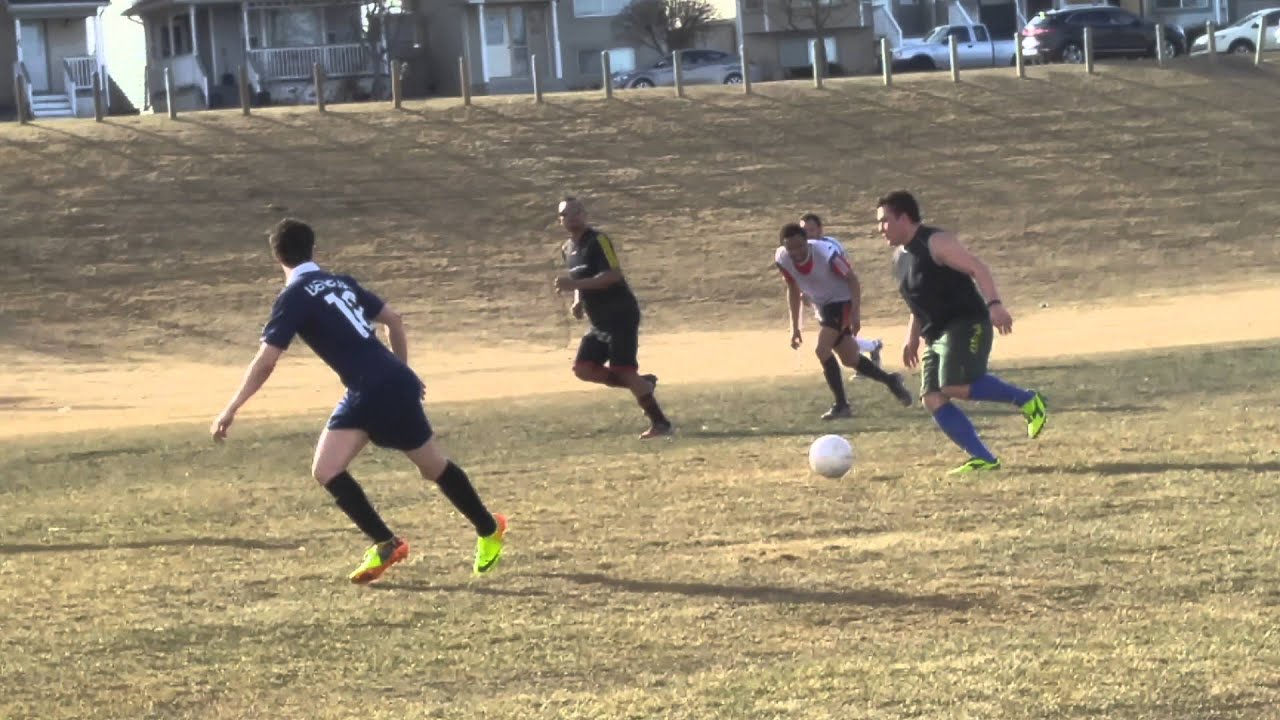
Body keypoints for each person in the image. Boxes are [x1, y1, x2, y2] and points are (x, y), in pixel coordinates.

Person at [210, 218, 508, 583]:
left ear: (277, 258)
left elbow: (266, 361)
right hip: (382, 384)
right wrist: (403, 372)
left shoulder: (294, 296)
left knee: (331, 470)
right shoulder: (340, 281)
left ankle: (397, 541)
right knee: (426, 468)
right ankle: (482, 527)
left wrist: (231, 407)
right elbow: (394, 320)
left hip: (372, 388)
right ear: (312, 249)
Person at [875, 190, 1048, 474]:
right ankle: (984, 459)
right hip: (935, 334)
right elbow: (918, 301)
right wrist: (911, 338)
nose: (880, 229)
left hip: (966, 323)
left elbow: (978, 268)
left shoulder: (935, 241)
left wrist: (994, 304)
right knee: (933, 398)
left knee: (953, 385)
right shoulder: (899, 258)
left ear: (904, 218)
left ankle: (1028, 401)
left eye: (884, 221)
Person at [554, 197, 673, 439]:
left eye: (577, 211)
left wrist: (574, 285)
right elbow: (582, 276)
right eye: (567, 214)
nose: (573, 216)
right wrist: (577, 299)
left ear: (585, 214)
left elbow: (613, 275)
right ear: (561, 220)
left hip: (620, 313)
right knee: (584, 369)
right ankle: (644, 385)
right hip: (598, 320)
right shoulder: (567, 249)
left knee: (624, 370)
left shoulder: (598, 240)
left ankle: (660, 423)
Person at [776, 222, 914, 420]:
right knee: (850, 358)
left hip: (842, 302)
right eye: (791, 248)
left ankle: (841, 405)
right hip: (822, 306)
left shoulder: (826, 253)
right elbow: (792, 289)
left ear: (808, 241)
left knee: (821, 350)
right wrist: (795, 327)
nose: (796, 252)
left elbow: (852, 280)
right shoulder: (782, 257)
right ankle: (891, 380)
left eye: (800, 246)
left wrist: (855, 313)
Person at [800, 212, 884, 373]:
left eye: (810, 230)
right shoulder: (805, 250)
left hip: (838, 300)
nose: (806, 235)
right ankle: (873, 348)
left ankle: (870, 358)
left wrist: (851, 305)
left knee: (833, 340)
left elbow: (844, 274)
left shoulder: (830, 247)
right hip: (821, 301)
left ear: (820, 230)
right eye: (803, 231)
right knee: (839, 338)